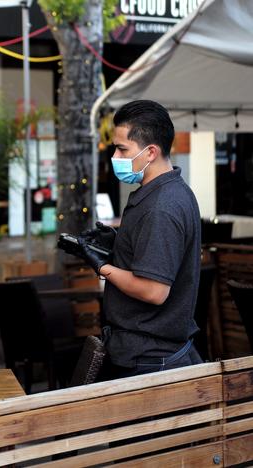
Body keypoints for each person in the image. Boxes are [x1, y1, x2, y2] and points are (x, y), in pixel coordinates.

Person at [76, 100, 202, 379]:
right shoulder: (169, 192)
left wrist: (102, 267)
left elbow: (154, 291)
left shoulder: (162, 206)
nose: (116, 156)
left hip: (151, 360)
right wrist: (119, 243)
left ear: (151, 152)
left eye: (123, 149)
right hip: (148, 353)